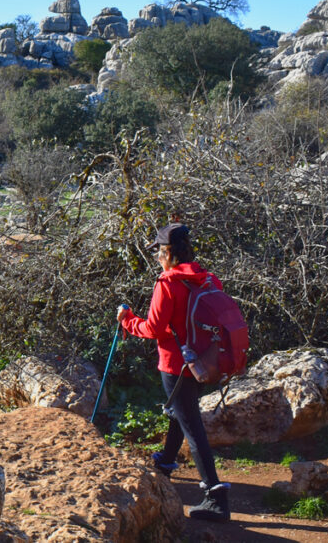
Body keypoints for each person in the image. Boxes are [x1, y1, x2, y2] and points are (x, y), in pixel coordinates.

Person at [118, 223, 231, 522]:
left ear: (168, 253)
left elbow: (154, 329)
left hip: (175, 364)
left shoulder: (167, 283)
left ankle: (216, 498)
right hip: (204, 362)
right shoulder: (208, 279)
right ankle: (166, 462)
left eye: (158, 252)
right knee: (182, 413)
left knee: (192, 426)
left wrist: (128, 321)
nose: (156, 257)